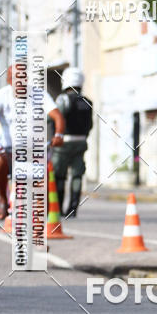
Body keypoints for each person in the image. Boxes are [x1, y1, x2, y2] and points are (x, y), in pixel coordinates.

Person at [0, 66, 65, 220]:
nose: (19, 83)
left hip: (34, 152)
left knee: (43, 195)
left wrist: (58, 135)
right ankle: (3, 200)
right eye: (15, 79)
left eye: (22, 78)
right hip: (8, 151)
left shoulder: (39, 94)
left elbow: (57, 116)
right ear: (9, 80)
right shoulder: (2, 95)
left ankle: (40, 231)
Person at [52, 67, 93, 218]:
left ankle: (58, 207)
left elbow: (54, 117)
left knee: (60, 175)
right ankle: (73, 208)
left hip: (64, 143)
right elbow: (90, 125)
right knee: (77, 175)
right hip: (81, 142)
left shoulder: (63, 99)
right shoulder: (87, 101)